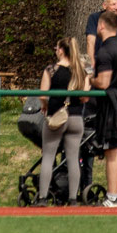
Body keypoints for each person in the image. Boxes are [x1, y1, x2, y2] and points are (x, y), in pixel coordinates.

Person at [37, 36, 89, 205]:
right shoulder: (81, 71)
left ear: (61, 50)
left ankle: (43, 197)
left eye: (56, 48)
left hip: (56, 117)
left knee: (48, 156)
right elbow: (84, 98)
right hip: (75, 117)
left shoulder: (51, 70)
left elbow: (43, 95)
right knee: (73, 159)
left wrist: (45, 105)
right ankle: (73, 198)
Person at [91, 11, 117, 206]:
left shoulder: (105, 51)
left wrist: (89, 78)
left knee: (111, 152)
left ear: (101, 26)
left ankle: (112, 196)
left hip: (111, 105)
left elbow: (104, 82)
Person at [84, 0, 117, 75]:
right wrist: (91, 65)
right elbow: (90, 42)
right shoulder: (94, 18)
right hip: (99, 64)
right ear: (104, 6)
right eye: (113, 4)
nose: (116, 7)